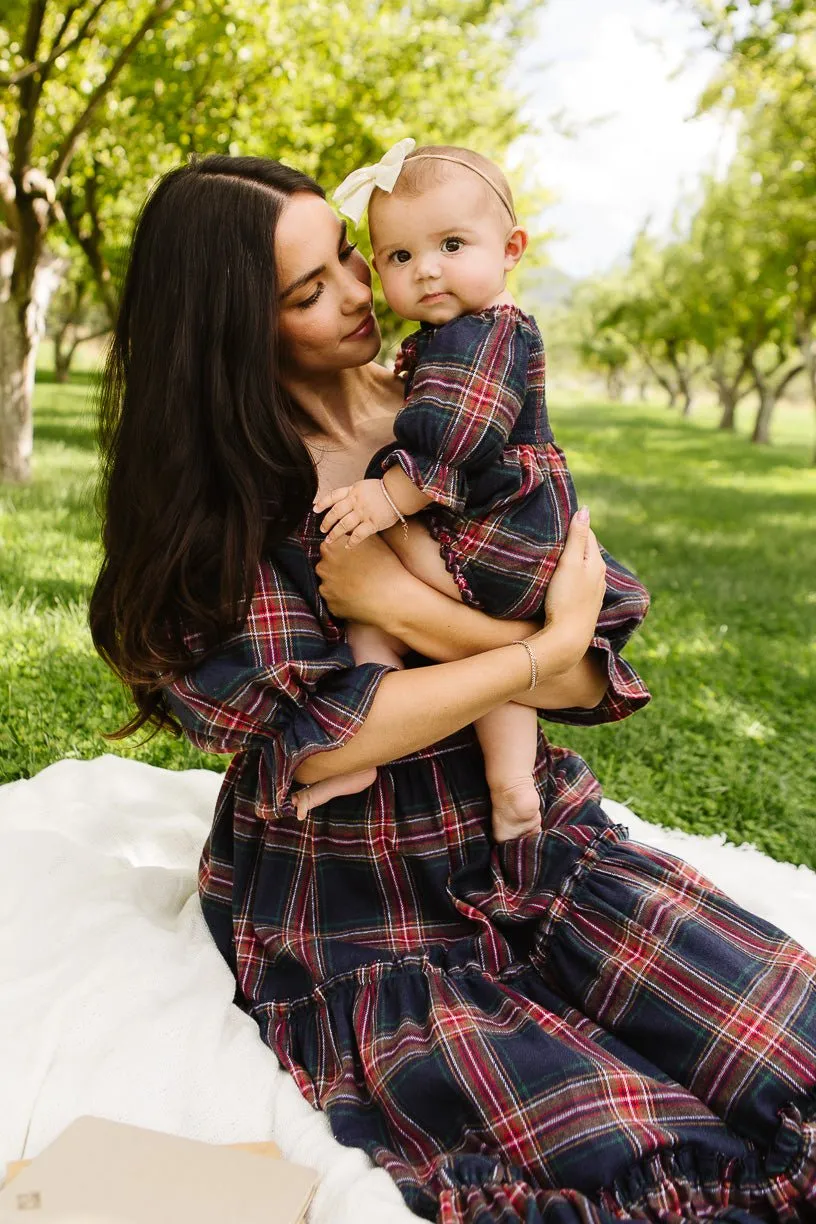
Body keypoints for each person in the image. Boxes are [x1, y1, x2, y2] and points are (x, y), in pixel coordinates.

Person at [88, 154, 816, 1224]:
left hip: (528, 837)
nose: (358, 293)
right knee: (638, 1153)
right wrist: (528, 648)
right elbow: (332, 746)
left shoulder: (463, 417)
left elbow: (578, 672)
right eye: (307, 291)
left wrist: (427, 614)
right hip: (362, 897)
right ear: (235, 330)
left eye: (346, 254)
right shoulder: (219, 505)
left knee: (786, 1048)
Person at [301, 139, 651, 841]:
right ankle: (511, 782)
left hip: (499, 532)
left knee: (372, 573)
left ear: (511, 247)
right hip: (513, 542)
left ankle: (367, 729)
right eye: (397, 257)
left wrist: (389, 500)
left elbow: (460, 435)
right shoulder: (458, 334)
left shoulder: (485, 334)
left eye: (452, 244)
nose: (425, 270)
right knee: (427, 627)